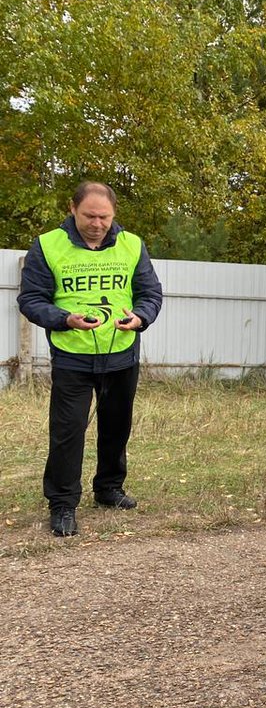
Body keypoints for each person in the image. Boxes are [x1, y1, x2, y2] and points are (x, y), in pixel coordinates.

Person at [17, 182, 163, 537]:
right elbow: (31, 299)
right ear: (73, 209)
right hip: (73, 357)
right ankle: (63, 504)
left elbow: (150, 293)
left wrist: (141, 317)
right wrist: (64, 319)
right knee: (68, 432)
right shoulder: (48, 245)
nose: (97, 223)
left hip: (121, 355)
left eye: (104, 217)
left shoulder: (132, 245)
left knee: (116, 427)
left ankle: (109, 489)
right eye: (89, 216)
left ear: (114, 214)